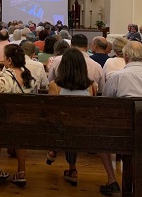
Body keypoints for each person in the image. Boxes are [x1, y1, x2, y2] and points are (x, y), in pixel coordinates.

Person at [99, 41, 142, 197]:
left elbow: (105, 102)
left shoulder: (117, 77)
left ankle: (111, 180)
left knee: (100, 138)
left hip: (119, 132)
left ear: (126, 57)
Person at [46, 48, 95, 186]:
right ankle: (72, 169)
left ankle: (54, 150)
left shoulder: (55, 85)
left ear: (63, 66)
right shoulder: (92, 86)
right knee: (73, 128)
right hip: (84, 129)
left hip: (61, 129)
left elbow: (51, 112)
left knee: (65, 127)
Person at [0, 44, 36, 186]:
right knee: (21, 135)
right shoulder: (30, 78)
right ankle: (21, 171)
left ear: (9, 60)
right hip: (23, 123)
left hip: (2, 122)